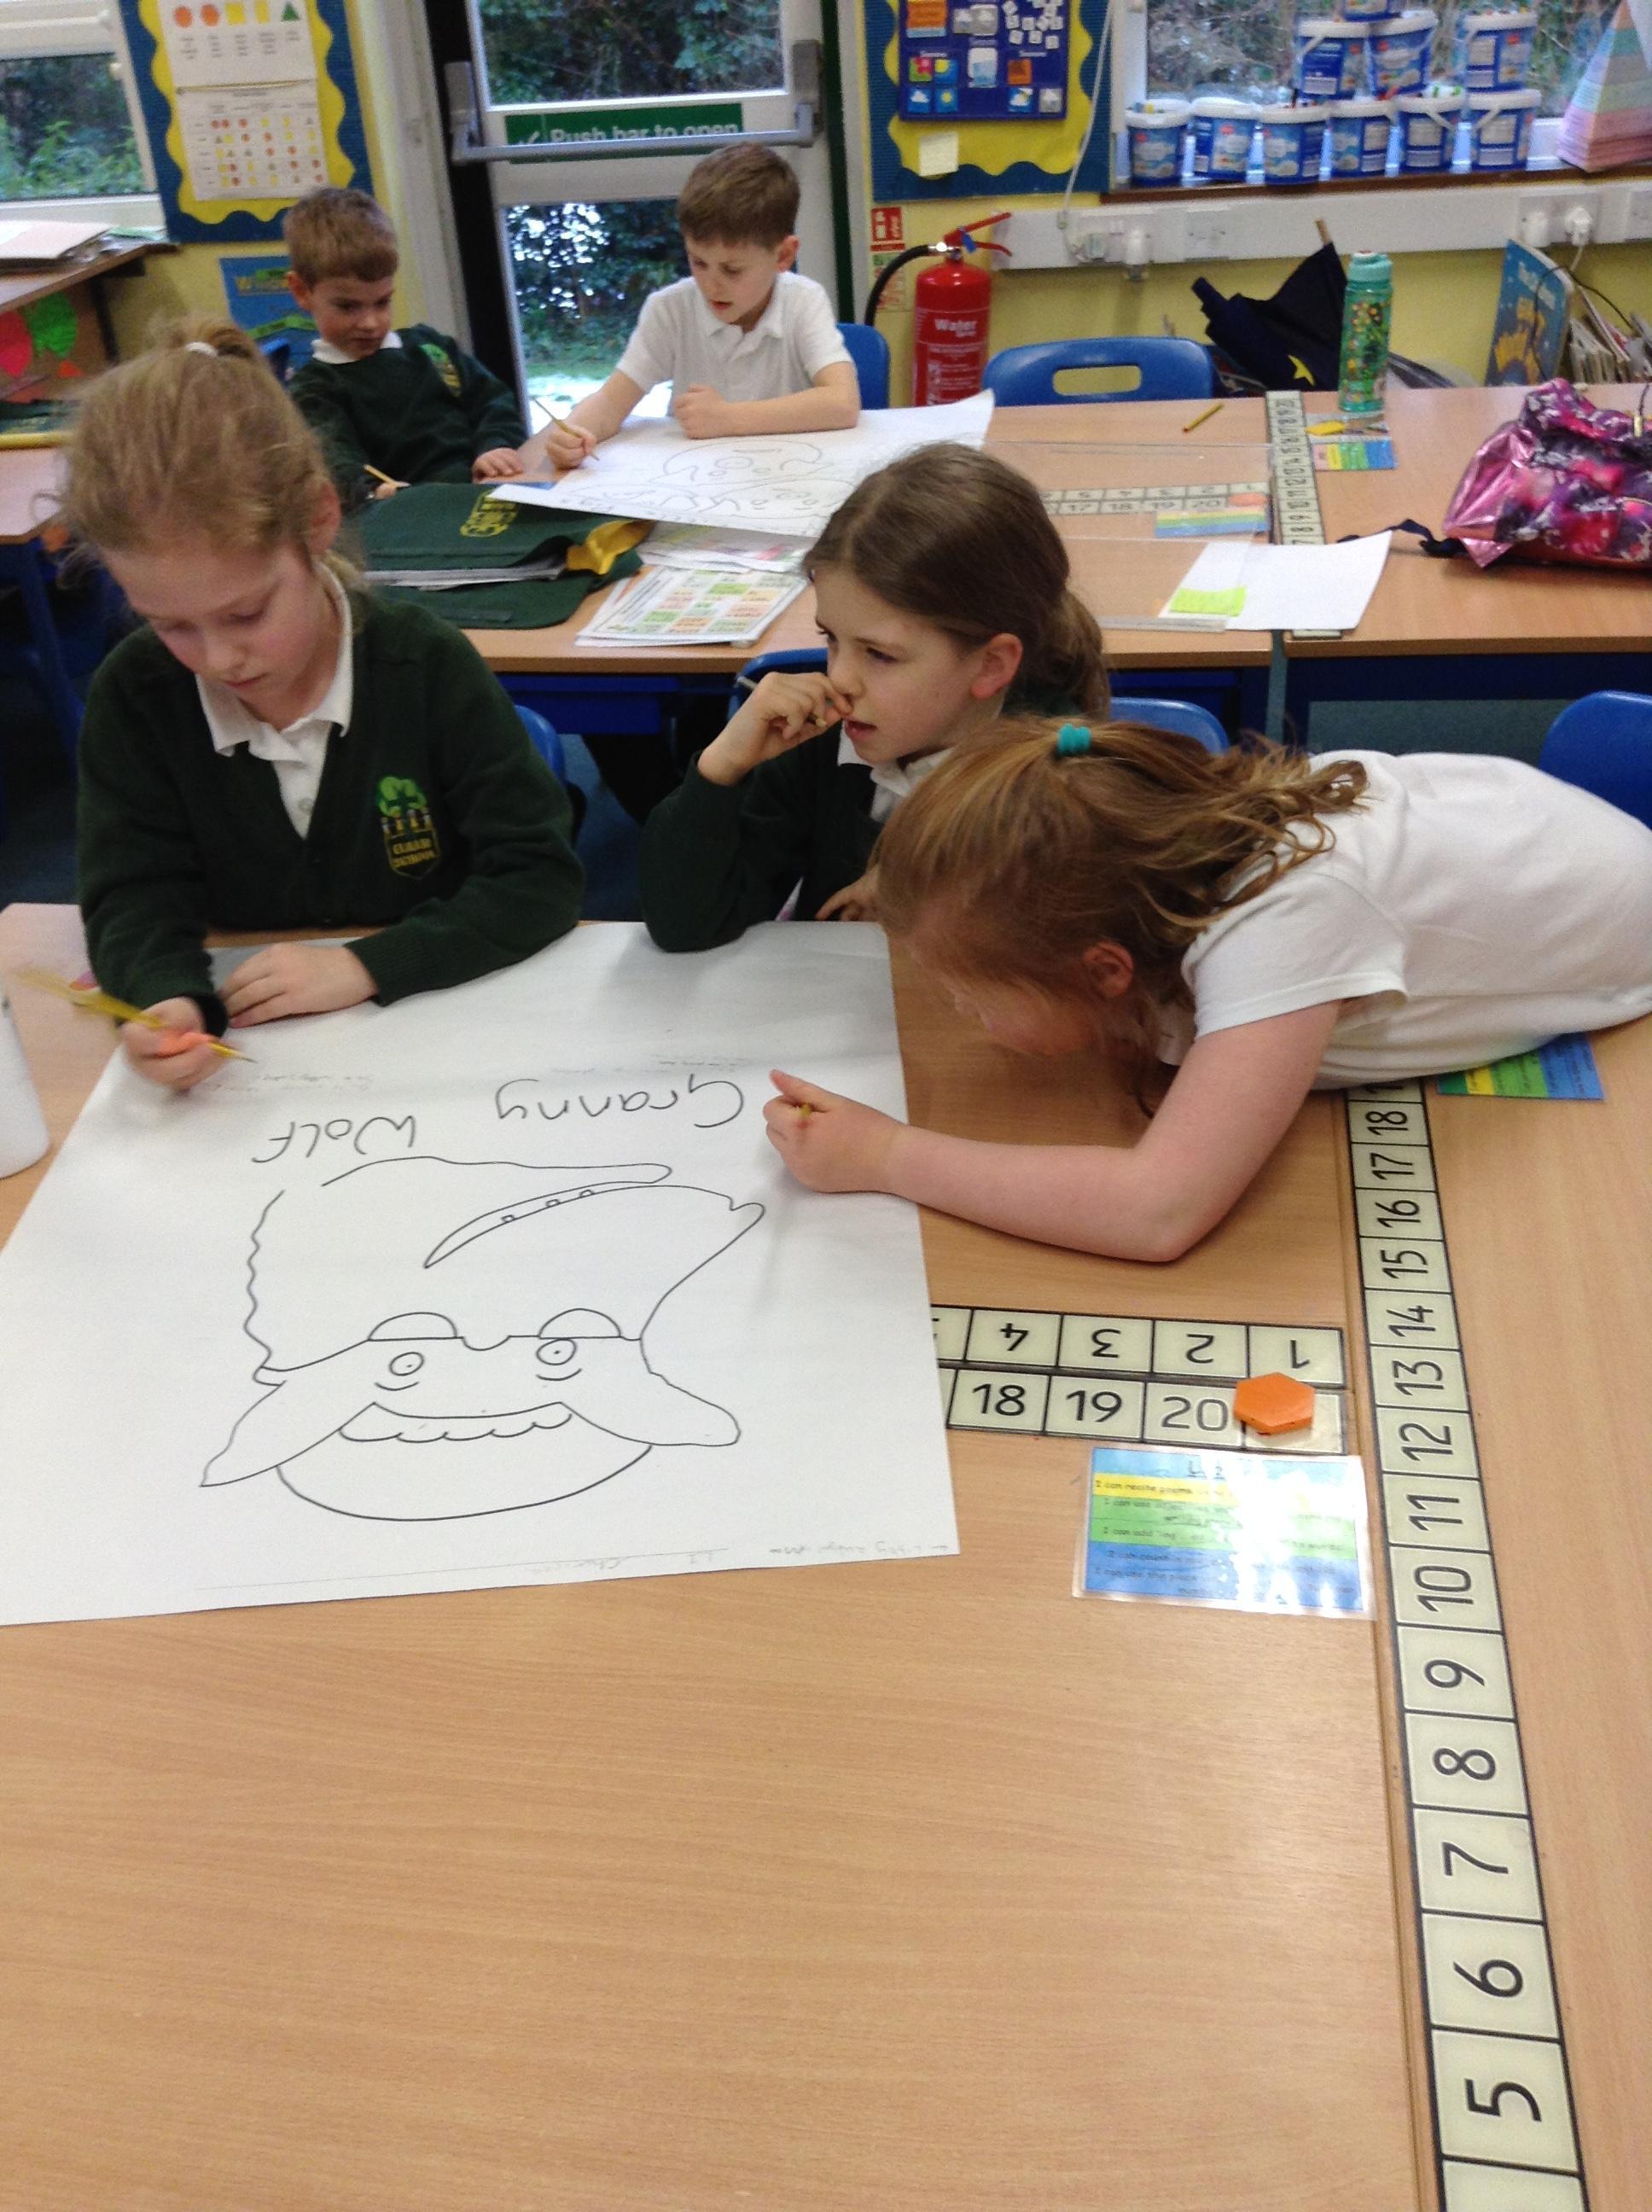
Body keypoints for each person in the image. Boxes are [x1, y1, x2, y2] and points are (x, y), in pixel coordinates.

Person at [760, 718, 1652, 1260]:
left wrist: (886, 1157)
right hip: (1527, 827)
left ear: (1105, 969)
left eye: (971, 996)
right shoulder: (1147, 854)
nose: (961, 1016)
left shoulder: (1283, 921)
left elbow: (1159, 1211)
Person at [66, 323, 583, 1093]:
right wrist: (162, 994)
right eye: (169, 624)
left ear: (316, 520)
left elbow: (537, 877)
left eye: (245, 614)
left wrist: (366, 965)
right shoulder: (136, 696)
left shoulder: (423, 667)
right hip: (260, 1085)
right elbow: (132, 894)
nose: (219, 658)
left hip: (444, 1055)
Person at [637, 445, 1111, 950]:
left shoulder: (1064, 775)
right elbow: (687, 926)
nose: (839, 678)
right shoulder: (818, 745)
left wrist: (925, 881)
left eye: (880, 655)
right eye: (831, 639)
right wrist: (722, 765)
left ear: (991, 665)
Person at [526, 144, 858, 473]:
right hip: (695, 479)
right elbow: (611, 402)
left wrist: (727, 418)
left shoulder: (803, 300)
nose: (711, 285)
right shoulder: (669, 309)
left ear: (783, 256)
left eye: (732, 270)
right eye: (698, 262)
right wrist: (574, 434)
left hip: (787, 474)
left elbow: (842, 403)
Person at [283, 186, 530, 504]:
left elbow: (493, 402)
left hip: (486, 494)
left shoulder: (430, 348)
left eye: (382, 302)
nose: (370, 323)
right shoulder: (313, 391)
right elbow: (338, 465)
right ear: (301, 292)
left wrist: (495, 446)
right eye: (348, 307)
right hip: (408, 514)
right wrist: (373, 491)